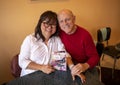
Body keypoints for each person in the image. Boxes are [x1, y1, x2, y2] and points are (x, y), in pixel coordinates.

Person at [18, 10, 81, 85]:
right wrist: (41, 67)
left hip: (50, 78)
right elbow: (22, 61)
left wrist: (73, 68)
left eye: (53, 25)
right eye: (46, 23)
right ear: (40, 23)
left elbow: (64, 55)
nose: (49, 27)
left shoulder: (56, 39)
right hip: (30, 79)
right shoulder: (30, 39)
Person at [58, 9, 104, 85]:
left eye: (68, 19)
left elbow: (95, 57)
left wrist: (85, 65)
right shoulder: (59, 33)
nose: (65, 24)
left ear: (74, 19)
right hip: (69, 64)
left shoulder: (85, 35)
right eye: (61, 21)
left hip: (84, 65)